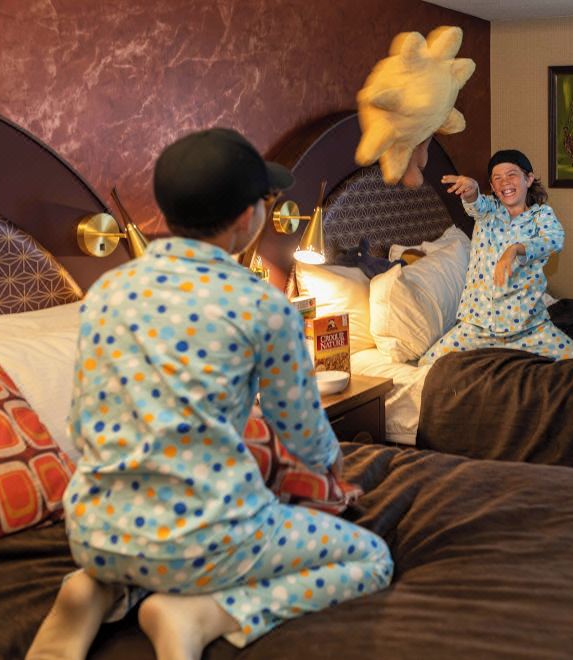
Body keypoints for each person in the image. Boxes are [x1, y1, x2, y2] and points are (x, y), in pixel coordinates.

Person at [27, 128, 393, 660]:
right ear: (248, 217)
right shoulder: (262, 305)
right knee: (371, 558)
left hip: (96, 530)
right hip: (206, 536)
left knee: (149, 546)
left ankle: (101, 588)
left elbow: (84, 420)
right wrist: (331, 472)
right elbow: (303, 438)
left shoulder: (106, 292)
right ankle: (201, 613)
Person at [419, 149, 573, 366]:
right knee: (426, 364)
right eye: (497, 178)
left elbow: (554, 240)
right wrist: (472, 191)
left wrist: (515, 249)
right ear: (493, 187)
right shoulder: (489, 211)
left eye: (512, 174)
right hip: (478, 325)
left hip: (528, 326)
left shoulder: (541, 215)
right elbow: (475, 203)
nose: (505, 182)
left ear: (528, 179)